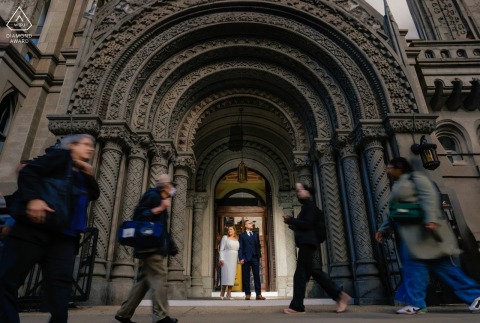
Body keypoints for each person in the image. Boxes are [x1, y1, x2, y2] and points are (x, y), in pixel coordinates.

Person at [0, 134, 100, 323]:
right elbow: (29, 172)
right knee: (7, 281)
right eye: (86, 144)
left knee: (60, 292)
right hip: (35, 230)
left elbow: (94, 194)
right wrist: (34, 199)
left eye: (92, 145)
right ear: (72, 146)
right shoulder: (60, 158)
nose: (91, 148)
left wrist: (87, 174)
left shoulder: (81, 172)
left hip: (64, 238)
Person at [375, 157, 480, 314]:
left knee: (439, 268)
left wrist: (430, 219)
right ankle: (416, 303)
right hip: (412, 237)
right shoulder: (398, 184)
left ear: (400, 167)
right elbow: (394, 211)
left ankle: (473, 296)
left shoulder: (417, 179)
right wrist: (384, 229)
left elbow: (429, 198)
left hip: (426, 234)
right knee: (421, 269)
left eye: (390, 167)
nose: (388, 170)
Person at [115, 174, 178, 323]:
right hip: (150, 247)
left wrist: (170, 245)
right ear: (165, 187)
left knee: (143, 282)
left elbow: (161, 228)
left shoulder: (160, 199)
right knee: (160, 279)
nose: (173, 190)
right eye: (172, 186)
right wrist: (158, 209)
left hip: (152, 246)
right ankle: (161, 316)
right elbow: (139, 216)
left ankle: (124, 313)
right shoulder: (152, 196)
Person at [282, 182, 351, 314]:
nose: (298, 193)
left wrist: (291, 220)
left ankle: (297, 306)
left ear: (308, 192)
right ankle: (339, 295)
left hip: (308, 244)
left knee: (300, 275)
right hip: (308, 243)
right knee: (315, 272)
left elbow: (307, 224)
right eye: (297, 191)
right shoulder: (307, 207)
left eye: (301, 190)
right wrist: (294, 225)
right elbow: (307, 225)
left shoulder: (310, 207)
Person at [238, 220, 266, 300]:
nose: (252, 224)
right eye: (250, 223)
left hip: (255, 258)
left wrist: (259, 257)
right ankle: (247, 294)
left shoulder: (255, 235)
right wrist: (241, 258)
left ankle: (258, 294)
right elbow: (240, 248)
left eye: (252, 223)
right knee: (246, 276)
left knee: (257, 276)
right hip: (246, 258)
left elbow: (258, 246)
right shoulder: (242, 235)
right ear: (246, 225)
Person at [219, 225, 240, 300]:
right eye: (228, 230)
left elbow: (237, 250)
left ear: (234, 230)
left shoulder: (237, 239)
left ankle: (229, 294)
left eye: (231, 229)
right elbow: (221, 249)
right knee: (225, 275)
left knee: (232, 276)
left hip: (234, 259)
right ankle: (222, 292)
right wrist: (221, 258)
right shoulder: (225, 237)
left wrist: (238, 260)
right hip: (226, 258)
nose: (229, 231)